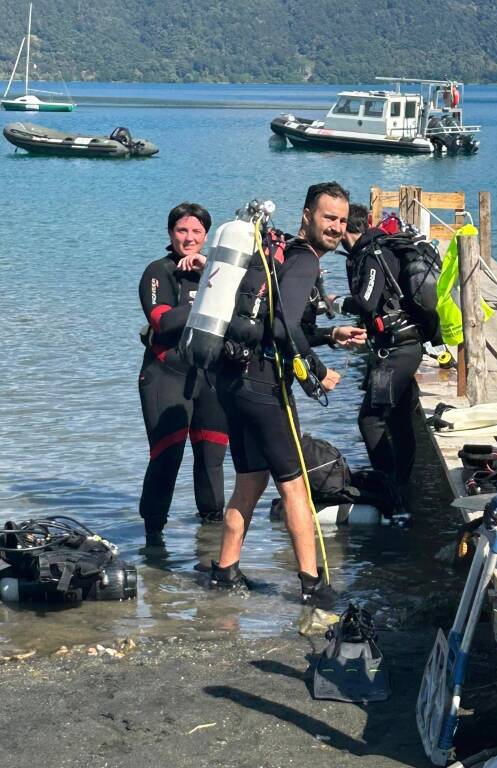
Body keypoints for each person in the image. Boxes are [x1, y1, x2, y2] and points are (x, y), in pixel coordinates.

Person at [212, 182, 351, 605]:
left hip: (233, 379)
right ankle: (312, 585)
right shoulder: (305, 261)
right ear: (307, 215)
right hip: (264, 386)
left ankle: (224, 571)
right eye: (329, 218)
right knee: (295, 487)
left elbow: (286, 322)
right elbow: (281, 328)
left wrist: (330, 335)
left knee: (250, 481)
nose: (336, 228)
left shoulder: (284, 252)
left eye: (343, 221)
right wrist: (319, 370)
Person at [138, 202, 228, 544]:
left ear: (207, 235)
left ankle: (211, 543)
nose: (189, 238)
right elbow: (162, 321)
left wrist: (211, 273)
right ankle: (153, 544)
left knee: (212, 460)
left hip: (210, 378)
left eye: (196, 231)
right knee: (168, 456)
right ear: (170, 233)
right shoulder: (158, 271)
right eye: (181, 230)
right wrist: (208, 295)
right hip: (166, 375)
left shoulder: (216, 269)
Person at [338, 203, 423, 508]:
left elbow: (365, 301)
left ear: (349, 227)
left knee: (370, 420)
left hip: (398, 350)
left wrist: (334, 304)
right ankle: (402, 487)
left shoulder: (373, 255)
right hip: (403, 345)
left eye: (338, 223)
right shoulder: (373, 250)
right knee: (399, 419)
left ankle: (388, 485)